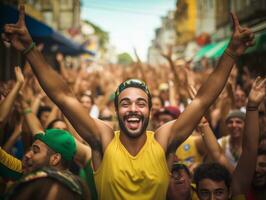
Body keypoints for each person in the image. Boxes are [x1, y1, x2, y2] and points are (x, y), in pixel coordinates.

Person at [2, 5, 255, 199]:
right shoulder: (103, 138)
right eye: (125, 103)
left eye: (140, 103)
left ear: (149, 110)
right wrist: (29, 49)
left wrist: (231, 52)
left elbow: (202, 100)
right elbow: (63, 96)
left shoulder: (164, 139)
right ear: (116, 110)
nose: (133, 108)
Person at [194, 77, 266, 200]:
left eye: (219, 192)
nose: (212, 199)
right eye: (205, 193)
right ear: (196, 193)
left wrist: (253, 107)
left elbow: (250, 149)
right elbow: (217, 154)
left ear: (230, 192)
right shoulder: (224, 143)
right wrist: (197, 108)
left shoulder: (238, 189)